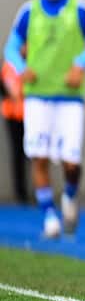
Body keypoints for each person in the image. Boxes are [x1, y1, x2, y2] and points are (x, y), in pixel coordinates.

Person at [2, 0, 85, 238]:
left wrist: (80, 64)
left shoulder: (79, 9)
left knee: (72, 162)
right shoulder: (28, 11)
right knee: (39, 157)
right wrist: (21, 67)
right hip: (37, 97)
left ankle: (70, 195)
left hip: (70, 98)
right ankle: (49, 216)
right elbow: (10, 48)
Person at [2, 60, 27, 203]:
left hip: (28, 115)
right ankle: (20, 192)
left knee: (32, 153)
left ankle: (36, 190)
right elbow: (11, 91)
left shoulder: (32, 61)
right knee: (17, 153)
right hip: (12, 115)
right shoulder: (9, 66)